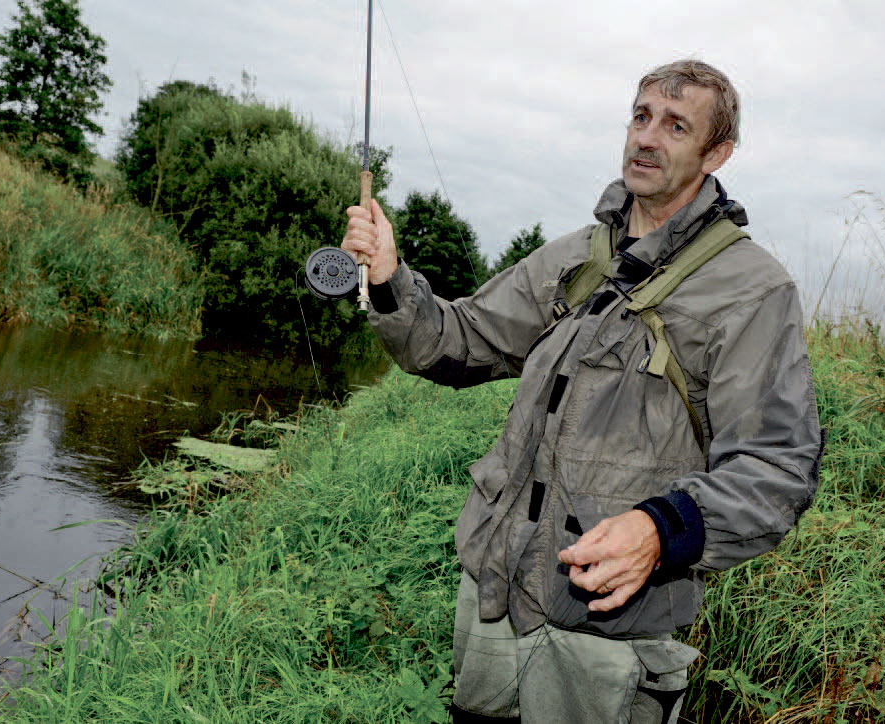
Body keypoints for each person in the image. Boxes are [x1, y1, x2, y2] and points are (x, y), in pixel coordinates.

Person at [341, 59, 823, 724]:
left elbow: (776, 469)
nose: (646, 138)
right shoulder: (577, 255)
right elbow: (455, 342)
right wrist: (392, 278)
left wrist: (660, 529)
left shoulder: (751, 290)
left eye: (675, 126)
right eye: (640, 116)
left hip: (604, 636)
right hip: (493, 603)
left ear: (716, 153)